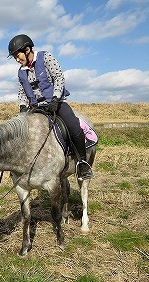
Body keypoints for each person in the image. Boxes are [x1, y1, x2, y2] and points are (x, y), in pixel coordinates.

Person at [8, 34, 93, 180]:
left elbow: (59, 77)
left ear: (27, 50)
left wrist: (55, 98)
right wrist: (22, 107)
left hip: (55, 104)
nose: (17, 59)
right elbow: (22, 92)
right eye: (15, 57)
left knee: (73, 126)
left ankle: (83, 163)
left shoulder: (45, 57)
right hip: (35, 109)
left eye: (17, 55)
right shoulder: (21, 72)